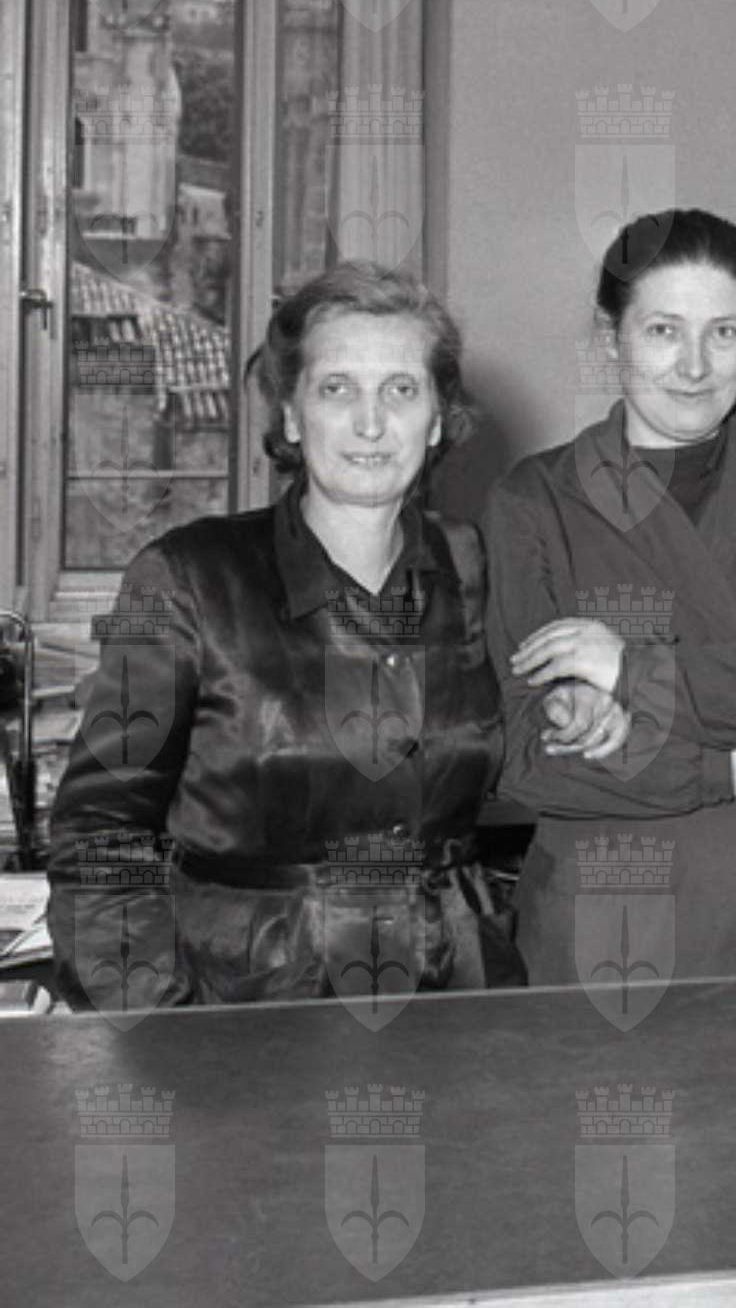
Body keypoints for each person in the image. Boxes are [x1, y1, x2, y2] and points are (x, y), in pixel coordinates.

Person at [47, 263, 523, 1009]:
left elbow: (519, 742)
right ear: (293, 417)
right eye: (337, 389)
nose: (371, 423)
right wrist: (162, 1030)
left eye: (401, 389)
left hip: (450, 1004)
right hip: (248, 1014)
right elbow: (100, 834)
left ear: (437, 419)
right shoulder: (186, 577)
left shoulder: (472, 565)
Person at [488, 208, 736, 982]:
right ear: (609, 338)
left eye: (723, 332)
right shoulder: (534, 501)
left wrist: (631, 673)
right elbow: (525, 757)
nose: (695, 366)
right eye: (662, 331)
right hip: (609, 914)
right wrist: (724, 772)